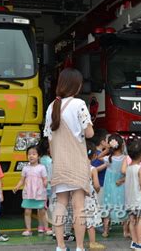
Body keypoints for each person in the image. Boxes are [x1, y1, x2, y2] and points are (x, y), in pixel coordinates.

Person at [44, 68, 94, 251]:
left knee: (60, 204)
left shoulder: (51, 107)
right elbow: (89, 133)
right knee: (79, 206)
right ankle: (80, 247)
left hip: (59, 163)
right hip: (76, 161)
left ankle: (60, 246)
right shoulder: (79, 104)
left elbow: (50, 141)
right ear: (76, 85)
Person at [13, 145, 49, 236]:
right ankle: (28, 229)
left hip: (39, 193)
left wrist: (45, 183)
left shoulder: (42, 167)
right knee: (27, 211)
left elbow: (45, 178)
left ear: (38, 156)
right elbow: (22, 180)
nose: (31, 156)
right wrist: (17, 186)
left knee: (42, 211)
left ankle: (46, 228)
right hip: (28, 193)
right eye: (29, 154)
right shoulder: (25, 168)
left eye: (34, 154)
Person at [125, 138, 141, 250]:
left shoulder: (128, 168)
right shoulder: (140, 169)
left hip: (130, 200)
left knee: (132, 220)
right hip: (138, 200)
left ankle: (134, 241)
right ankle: (140, 243)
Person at [101, 134, 127, 237]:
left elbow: (98, 157)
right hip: (121, 185)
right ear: (122, 146)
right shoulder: (125, 158)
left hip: (109, 187)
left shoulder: (108, 158)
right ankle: (125, 231)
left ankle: (105, 231)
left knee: (108, 205)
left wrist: (107, 149)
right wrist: (122, 179)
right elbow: (128, 172)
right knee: (123, 204)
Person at [85, 142, 106, 249]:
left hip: (78, 197)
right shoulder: (92, 169)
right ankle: (92, 243)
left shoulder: (78, 168)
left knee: (79, 220)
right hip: (90, 198)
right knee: (90, 222)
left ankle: (79, 243)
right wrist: (96, 191)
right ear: (93, 156)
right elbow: (97, 185)